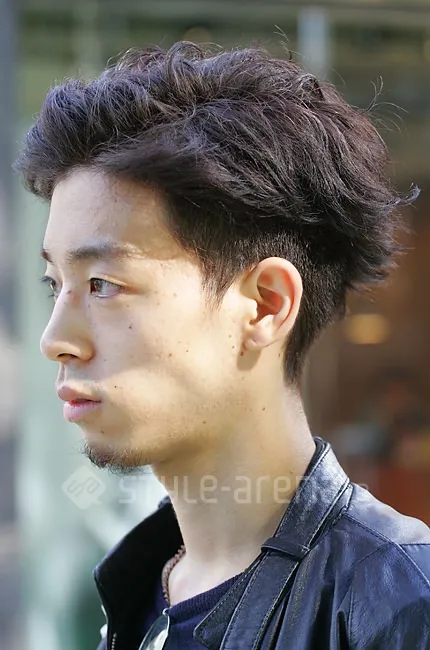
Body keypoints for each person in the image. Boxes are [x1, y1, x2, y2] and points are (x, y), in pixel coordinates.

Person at [15, 41, 430, 649]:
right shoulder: (136, 595)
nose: (56, 340)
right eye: (55, 285)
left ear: (265, 305)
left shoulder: (398, 602)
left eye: (103, 284)